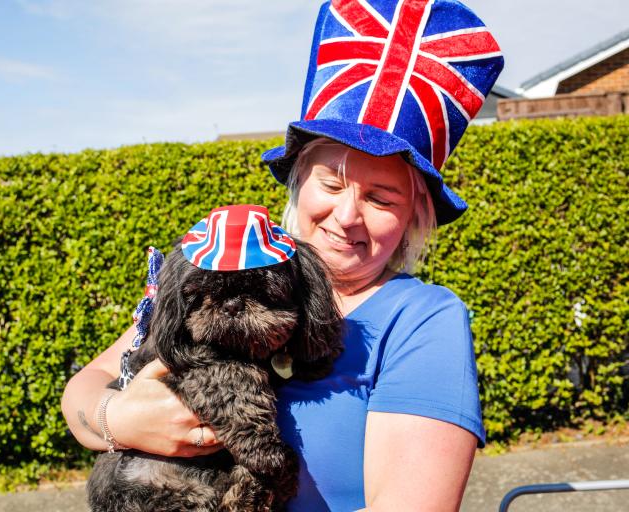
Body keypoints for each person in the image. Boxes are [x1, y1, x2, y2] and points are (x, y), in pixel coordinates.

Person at [61, 0, 504, 509]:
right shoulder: (236, 266)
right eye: (331, 183)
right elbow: (85, 387)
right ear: (299, 182)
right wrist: (117, 421)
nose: (347, 215)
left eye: (381, 198)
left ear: (414, 216)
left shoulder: (423, 320)